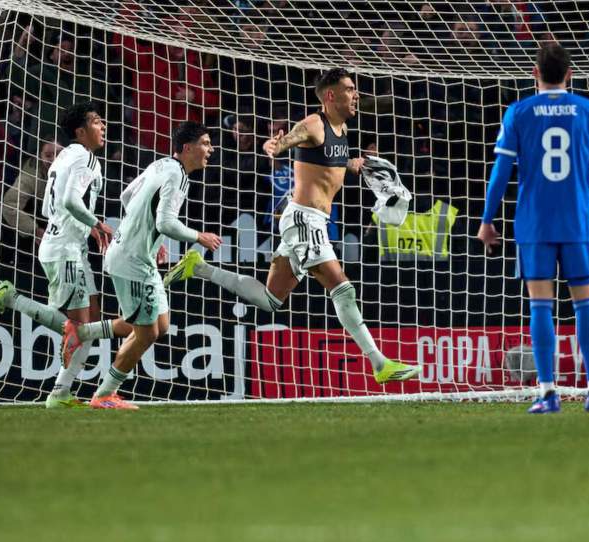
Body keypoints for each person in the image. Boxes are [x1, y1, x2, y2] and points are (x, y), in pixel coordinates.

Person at [163, 69, 419, 384]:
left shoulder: (341, 130)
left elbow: (323, 166)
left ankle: (199, 267)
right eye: (349, 89)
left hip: (309, 221)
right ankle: (380, 364)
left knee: (270, 299)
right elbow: (286, 141)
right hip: (304, 219)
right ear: (330, 95)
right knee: (343, 288)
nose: (355, 95)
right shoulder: (314, 123)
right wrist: (275, 144)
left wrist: (352, 164)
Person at [477, 43, 589, 414]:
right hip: (577, 221)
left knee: (541, 306)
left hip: (534, 224)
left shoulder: (519, 111)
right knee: (586, 305)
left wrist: (487, 220)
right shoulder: (588, 109)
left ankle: (547, 392)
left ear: (534, 73)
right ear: (570, 74)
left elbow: (500, 173)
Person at [65, 122, 222, 409]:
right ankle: (104, 395)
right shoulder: (178, 176)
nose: (210, 149)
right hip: (132, 261)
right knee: (146, 333)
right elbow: (166, 222)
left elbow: (127, 196)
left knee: (160, 325)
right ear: (187, 148)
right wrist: (199, 236)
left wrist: (149, 234)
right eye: (205, 143)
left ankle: (83, 332)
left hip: (134, 255)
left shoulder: (161, 165)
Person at [0, 102, 131, 408]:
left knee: (91, 321)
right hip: (64, 248)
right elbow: (68, 200)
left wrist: (86, 227)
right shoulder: (84, 158)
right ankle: (12, 298)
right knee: (78, 329)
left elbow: (47, 207)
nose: (103, 126)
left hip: (70, 245)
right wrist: (96, 223)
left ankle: (60, 392)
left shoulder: (65, 156)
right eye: (96, 122)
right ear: (80, 131)